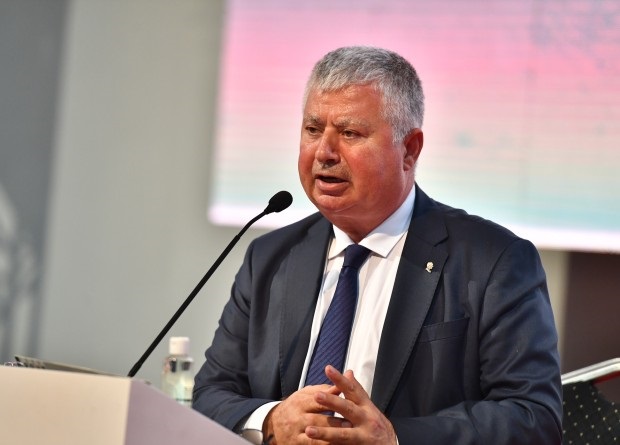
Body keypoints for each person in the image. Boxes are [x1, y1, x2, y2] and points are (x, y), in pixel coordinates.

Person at [193, 46, 562, 444]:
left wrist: (395, 438)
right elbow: (211, 394)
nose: (324, 152)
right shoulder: (270, 258)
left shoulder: (494, 261)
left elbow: (533, 417)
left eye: (349, 133)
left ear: (410, 149)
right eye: (313, 129)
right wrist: (271, 420)